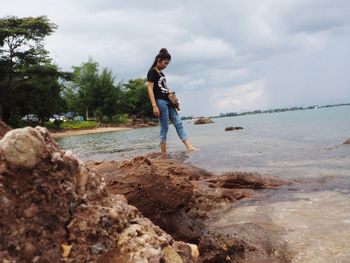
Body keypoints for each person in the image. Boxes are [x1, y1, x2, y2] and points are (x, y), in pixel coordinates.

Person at [147, 48, 196, 158]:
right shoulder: (152, 72)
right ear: (159, 60)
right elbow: (150, 89)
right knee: (165, 127)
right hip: (160, 102)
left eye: (167, 64)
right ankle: (164, 153)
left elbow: (164, 87)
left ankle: (190, 147)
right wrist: (154, 105)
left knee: (178, 122)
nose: (166, 66)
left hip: (168, 101)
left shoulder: (162, 74)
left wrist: (171, 94)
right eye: (165, 63)